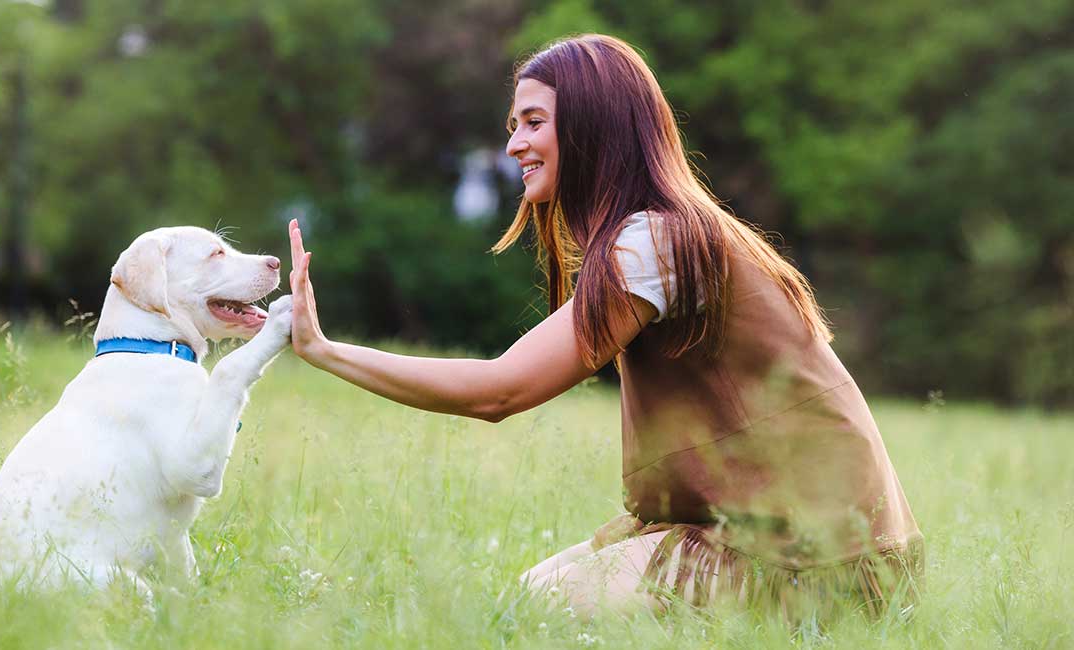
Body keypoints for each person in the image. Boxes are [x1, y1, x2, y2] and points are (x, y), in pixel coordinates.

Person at [284, 34, 922, 620]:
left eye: (534, 123)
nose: (514, 144)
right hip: (805, 546)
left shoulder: (659, 243)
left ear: (594, 126)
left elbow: (498, 391)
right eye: (513, 125)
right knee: (523, 601)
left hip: (819, 566)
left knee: (536, 614)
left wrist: (325, 351)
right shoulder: (662, 234)